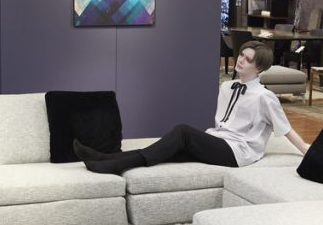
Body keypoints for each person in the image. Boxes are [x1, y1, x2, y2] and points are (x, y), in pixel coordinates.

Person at [75, 40, 310, 175]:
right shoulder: (227, 86)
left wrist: (306, 150)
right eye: (241, 55)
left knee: (183, 132)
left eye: (248, 60)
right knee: (169, 150)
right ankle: (106, 159)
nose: (240, 60)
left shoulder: (265, 97)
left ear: (259, 68)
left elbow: (285, 128)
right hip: (219, 140)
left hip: (239, 152)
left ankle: (107, 161)